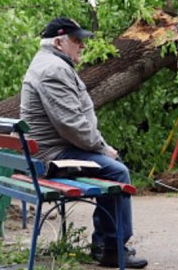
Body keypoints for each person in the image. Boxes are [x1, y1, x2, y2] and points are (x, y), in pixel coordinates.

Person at [20, 17, 148, 269]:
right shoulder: (53, 70)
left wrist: (101, 148)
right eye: (77, 40)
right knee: (117, 170)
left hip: (50, 151)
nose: (82, 45)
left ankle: (105, 243)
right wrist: (102, 148)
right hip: (52, 157)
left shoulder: (49, 63)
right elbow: (71, 125)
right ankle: (112, 248)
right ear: (58, 42)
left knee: (112, 165)